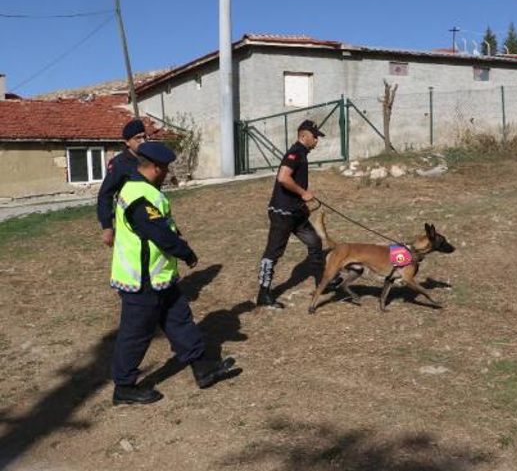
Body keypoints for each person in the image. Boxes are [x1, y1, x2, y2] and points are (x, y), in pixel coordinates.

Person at [110, 141, 235, 405]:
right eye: (165, 168)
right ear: (155, 168)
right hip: (141, 281)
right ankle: (123, 388)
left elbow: (164, 225)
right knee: (136, 334)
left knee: (180, 320)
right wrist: (186, 252)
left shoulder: (140, 189)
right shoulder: (140, 197)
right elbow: (159, 234)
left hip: (160, 277)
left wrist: (176, 236)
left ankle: (203, 368)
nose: (168, 173)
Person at [256, 120, 341, 308]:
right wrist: (303, 193)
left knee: (314, 241)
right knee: (274, 252)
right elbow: (283, 177)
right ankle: (263, 293)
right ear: (304, 135)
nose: (317, 140)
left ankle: (322, 281)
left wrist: (302, 201)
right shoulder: (295, 152)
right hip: (282, 212)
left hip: (295, 212)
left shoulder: (302, 153)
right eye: (315, 136)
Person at [97, 119, 147, 247]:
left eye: (144, 137)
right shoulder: (119, 164)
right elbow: (105, 194)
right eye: (138, 138)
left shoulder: (148, 159)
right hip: (130, 219)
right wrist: (107, 226)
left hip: (151, 215)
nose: (143, 141)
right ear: (127, 142)